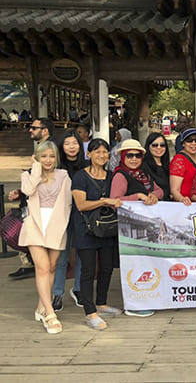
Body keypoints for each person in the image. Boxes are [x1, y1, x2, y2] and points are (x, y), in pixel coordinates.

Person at [19, 141, 72, 334]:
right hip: (34, 224)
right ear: (37, 157)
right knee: (42, 267)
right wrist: (36, 168)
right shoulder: (27, 176)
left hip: (57, 224)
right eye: (43, 156)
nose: (48, 160)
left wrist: (62, 225)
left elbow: (67, 203)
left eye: (51, 156)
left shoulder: (63, 175)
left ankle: (41, 306)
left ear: (56, 157)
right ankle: (50, 314)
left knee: (51, 267)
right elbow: (28, 191)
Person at [71, 139, 123, 330]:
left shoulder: (111, 176)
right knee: (88, 270)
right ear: (89, 154)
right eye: (97, 152)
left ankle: (101, 303)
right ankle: (90, 312)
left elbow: (121, 196)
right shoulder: (80, 177)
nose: (102, 155)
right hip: (86, 229)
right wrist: (104, 201)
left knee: (107, 268)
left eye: (105, 152)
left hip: (107, 229)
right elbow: (81, 205)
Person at [111, 139, 163, 317]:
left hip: (145, 228)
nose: (134, 159)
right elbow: (114, 201)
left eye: (137, 155)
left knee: (145, 264)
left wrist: (152, 196)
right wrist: (138, 196)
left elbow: (160, 190)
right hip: (129, 229)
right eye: (130, 155)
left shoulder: (143, 174)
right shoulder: (120, 176)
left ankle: (144, 299)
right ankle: (133, 304)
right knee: (134, 265)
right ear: (123, 157)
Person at [8, 118, 56, 281]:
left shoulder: (51, 148)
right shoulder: (42, 147)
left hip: (43, 207)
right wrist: (21, 192)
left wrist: (25, 183)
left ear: (45, 130)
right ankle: (32, 264)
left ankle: (37, 268)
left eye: (34, 128)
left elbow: (44, 179)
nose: (30, 130)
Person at [51, 129, 88, 312]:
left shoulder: (87, 165)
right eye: (67, 143)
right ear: (62, 146)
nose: (71, 147)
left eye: (75, 143)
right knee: (61, 256)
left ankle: (78, 289)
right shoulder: (56, 166)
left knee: (82, 254)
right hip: (62, 216)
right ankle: (58, 293)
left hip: (82, 215)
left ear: (80, 146)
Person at [170, 128, 196, 205]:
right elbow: (174, 190)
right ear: (183, 143)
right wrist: (182, 199)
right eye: (189, 140)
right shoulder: (179, 160)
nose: (194, 143)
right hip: (184, 205)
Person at [142, 132, 171, 201]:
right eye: (155, 145)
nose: (159, 147)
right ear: (148, 147)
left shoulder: (169, 165)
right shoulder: (143, 166)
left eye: (162, 145)